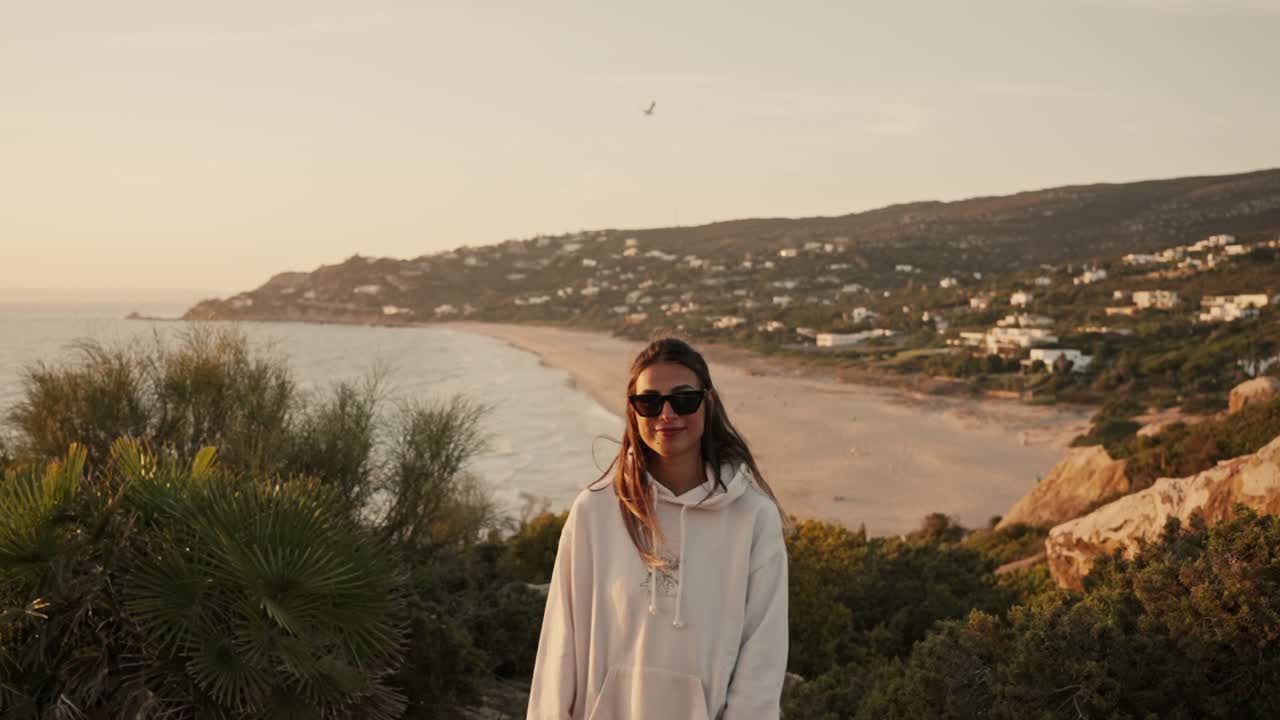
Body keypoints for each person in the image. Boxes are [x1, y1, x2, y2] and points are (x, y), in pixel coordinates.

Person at [527, 337, 789, 720]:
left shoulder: (753, 517)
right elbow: (558, 646)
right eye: (648, 402)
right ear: (632, 411)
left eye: (683, 399)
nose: (666, 414)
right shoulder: (596, 510)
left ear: (708, 402)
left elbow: (762, 658)